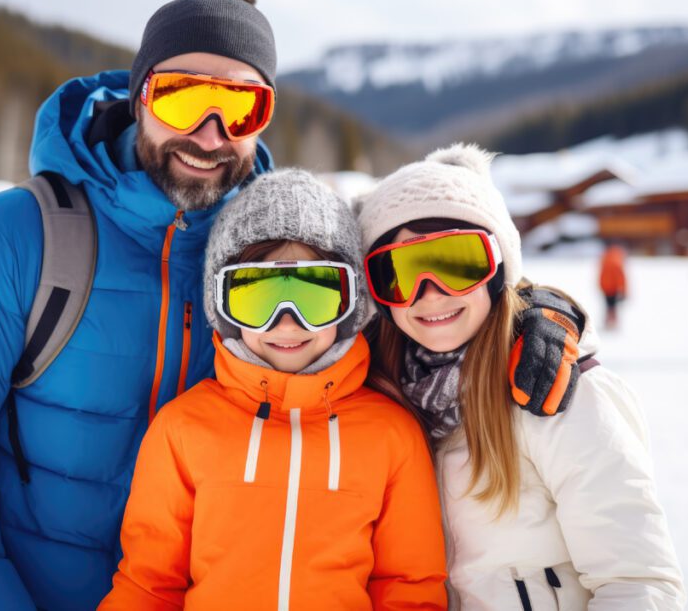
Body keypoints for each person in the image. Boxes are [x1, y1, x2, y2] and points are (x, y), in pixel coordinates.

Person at [0, 0, 280, 610]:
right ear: (140, 93)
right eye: (183, 97)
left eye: (242, 105)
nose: (210, 133)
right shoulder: (13, 239)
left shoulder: (278, 264)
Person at [99, 169, 448, 610]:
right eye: (257, 297)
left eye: (315, 294)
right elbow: (149, 585)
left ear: (351, 304)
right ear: (222, 308)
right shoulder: (184, 428)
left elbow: (410, 587)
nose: (286, 322)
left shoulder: (390, 434)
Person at [356, 144, 685, 610]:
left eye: (456, 263)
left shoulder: (559, 394)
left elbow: (637, 583)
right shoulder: (381, 395)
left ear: (499, 268)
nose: (429, 294)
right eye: (396, 273)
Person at [599, 241, 627, 330]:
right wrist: (623, 290)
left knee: (608, 306)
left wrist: (601, 285)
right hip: (614, 288)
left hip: (605, 287)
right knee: (613, 307)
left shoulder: (605, 258)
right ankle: (612, 323)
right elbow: (621, 277)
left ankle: (608, 322)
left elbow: (601, 274)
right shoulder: (617, 260)